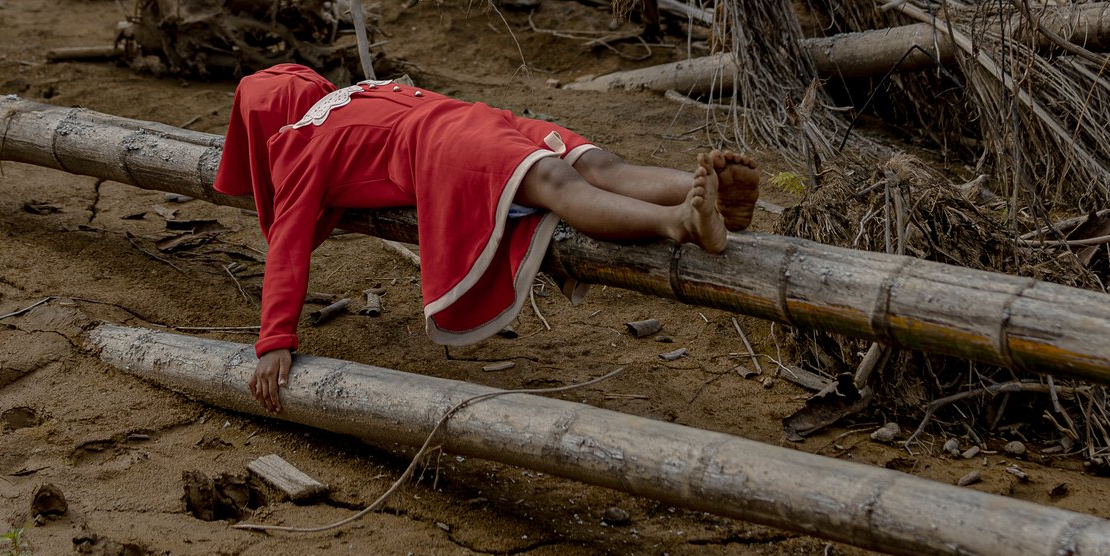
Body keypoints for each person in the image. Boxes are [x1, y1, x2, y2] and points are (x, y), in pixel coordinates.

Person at [214, 64, 759, 411]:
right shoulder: (361, 90)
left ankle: (678, 223)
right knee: (598, 166)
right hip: (473, 116)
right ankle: (697, 193)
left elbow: (287, 243)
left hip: (442, 144)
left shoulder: (298, 142)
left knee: (555, 184)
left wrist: (274, 341)